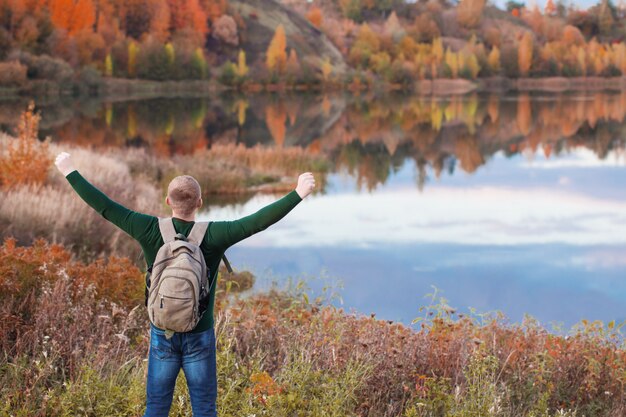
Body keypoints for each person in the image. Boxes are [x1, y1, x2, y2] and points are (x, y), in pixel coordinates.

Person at [54, 151, 315, 417]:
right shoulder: (214, 234)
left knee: (156, 407)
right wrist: (298, 193)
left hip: (162, 332)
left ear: (168, 201)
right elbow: (257, 222)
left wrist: (69, 170)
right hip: (199, 333)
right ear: (200, 202)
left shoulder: (148, 228)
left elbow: (105, 207)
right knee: (204, 408)